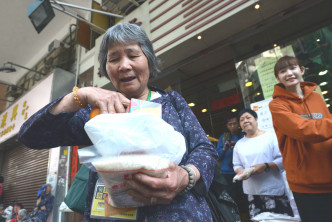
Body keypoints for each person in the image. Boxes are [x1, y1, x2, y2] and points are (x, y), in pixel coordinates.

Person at [18, 22, 218, 221]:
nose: (124, 65)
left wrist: (185, 176)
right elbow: (30, 136)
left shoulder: (172, 102)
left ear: (148, 59)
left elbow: (204, 149)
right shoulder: (96, 111)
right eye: (113, 59)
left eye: (133, 55)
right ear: (106, 68)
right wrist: (80, 96)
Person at [269, 55, 332, 222]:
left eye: (293, 68)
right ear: (278, 78)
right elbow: (302, 129)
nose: (289, 73)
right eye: (283, 71)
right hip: (305, 184)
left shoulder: (317, 97)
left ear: (302, 70)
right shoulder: (276, 105)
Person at [233, 109, 293, 219]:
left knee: (281, 220)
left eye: (248, 117)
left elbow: (283, 160)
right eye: (241, 120)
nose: (245, 121)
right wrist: (241, 172)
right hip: (252, 192)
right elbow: (236, 165)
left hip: (274, 190)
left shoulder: (270, 137)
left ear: (256, 119)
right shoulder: (239, 144)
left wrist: (265, 166)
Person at [216, 112, 245, 205]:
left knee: (244, 198)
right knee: (232, 200)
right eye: (230, 124)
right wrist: (224, 149)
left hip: (242, 172)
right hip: (227, 174)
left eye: (235, 123)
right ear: (227, 126)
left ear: (239, 124)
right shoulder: (223, 138)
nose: (233, 126)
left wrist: (236, 148)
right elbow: (217, 156)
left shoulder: (244, 136)